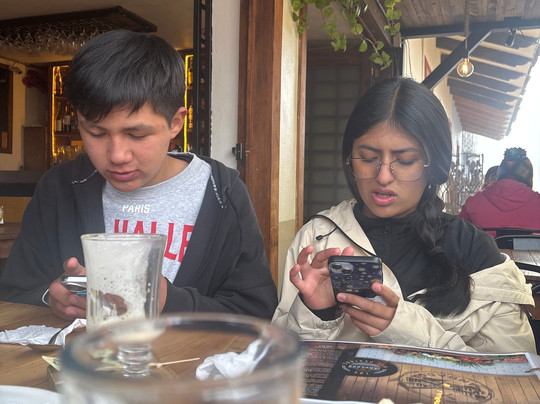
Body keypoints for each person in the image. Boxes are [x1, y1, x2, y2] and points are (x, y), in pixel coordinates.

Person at [0, 29, 278, 321]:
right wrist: (51, 298)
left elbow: (256, 313)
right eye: (96, 133)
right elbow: (13, 292)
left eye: (137, 134)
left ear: (175, 123)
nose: (117, 155)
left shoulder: (222, 193)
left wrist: (166, 301)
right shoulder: (60, 187)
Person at [272, 77, 535, 353]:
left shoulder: (474, 249)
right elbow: (280, 361)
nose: (383, 176)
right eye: (368, 158)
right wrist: (317, 313)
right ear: (349, 158)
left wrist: (413, 333)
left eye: (406, 160)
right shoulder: (318, 238)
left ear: (434, 166)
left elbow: (517, 371)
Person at [460, 148, 540, 237]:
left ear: (500, 173)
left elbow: (457, 236)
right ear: (528, 176)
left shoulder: (473, 202)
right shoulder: (537, 201)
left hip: (483, 246)